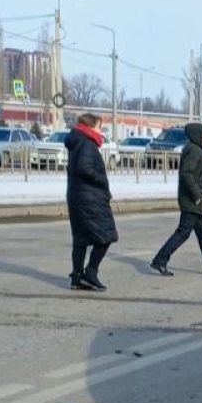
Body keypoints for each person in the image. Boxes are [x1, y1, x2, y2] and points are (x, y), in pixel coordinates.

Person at [150, 122, 202, 276]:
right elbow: (186, 174)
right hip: (192, 202)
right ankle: (159, 260)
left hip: (195, 202)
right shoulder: (194, 150)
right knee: (182, 233)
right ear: (199, 135)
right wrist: (197, 197)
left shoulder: (197, 149)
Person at [65, 113, 117, 291]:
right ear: (91, 127)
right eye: (99, 127)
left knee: (80, 239)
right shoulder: (87, 143)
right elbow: (84, 168)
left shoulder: (77, 141)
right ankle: (91, 272)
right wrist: (101, 180)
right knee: (106, 236)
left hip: (77, 196)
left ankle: (77, 277)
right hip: (90, 198)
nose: (101, 131)